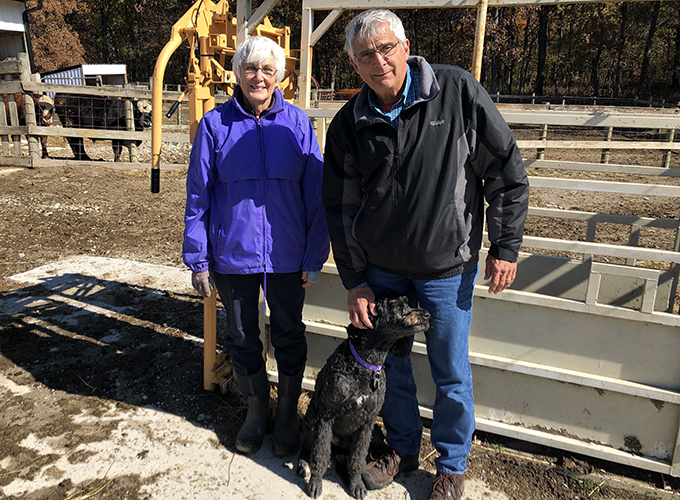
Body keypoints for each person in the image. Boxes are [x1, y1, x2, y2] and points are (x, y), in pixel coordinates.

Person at [321, 9, 529, 500]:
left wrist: (505, 245)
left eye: (386, 48)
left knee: (450, 369)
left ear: (405, 46)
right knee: (389, 366)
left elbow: (505, 169)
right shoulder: (351, 122)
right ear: (355, 65)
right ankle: (402, 449)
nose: (379, 62)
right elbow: (340, 206)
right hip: (383, 271)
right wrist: (355, 280)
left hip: (445, 268)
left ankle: (452, 466)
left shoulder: (455, 92)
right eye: (365, 55)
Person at [183, 36, 330, 457]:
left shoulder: (298, 124)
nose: (259, 77)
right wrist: (198, 258)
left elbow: (316, 194)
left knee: (288, 334)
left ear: (279, 76)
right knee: (244, 335)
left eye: (268, 70)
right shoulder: (215, 125)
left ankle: (286, 412)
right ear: (238, 75)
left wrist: (314, 253)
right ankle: (255, 408)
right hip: (233, 254)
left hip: (287, 256)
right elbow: (198, 195)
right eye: (251, 69)